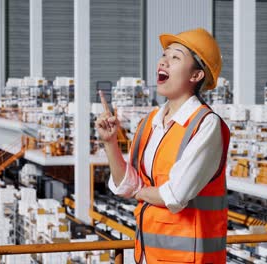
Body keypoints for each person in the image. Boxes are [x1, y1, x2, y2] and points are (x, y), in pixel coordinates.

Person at [95, 28, 230, 263]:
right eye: (164, 55)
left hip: (189, 259)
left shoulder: (206, 125)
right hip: (148, 254)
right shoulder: (150, 121)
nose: (164, 61)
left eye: (176, 57)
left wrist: (135, 191)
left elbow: (174, 195)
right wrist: (110, 143)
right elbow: (123, 183)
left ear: (196, 75)